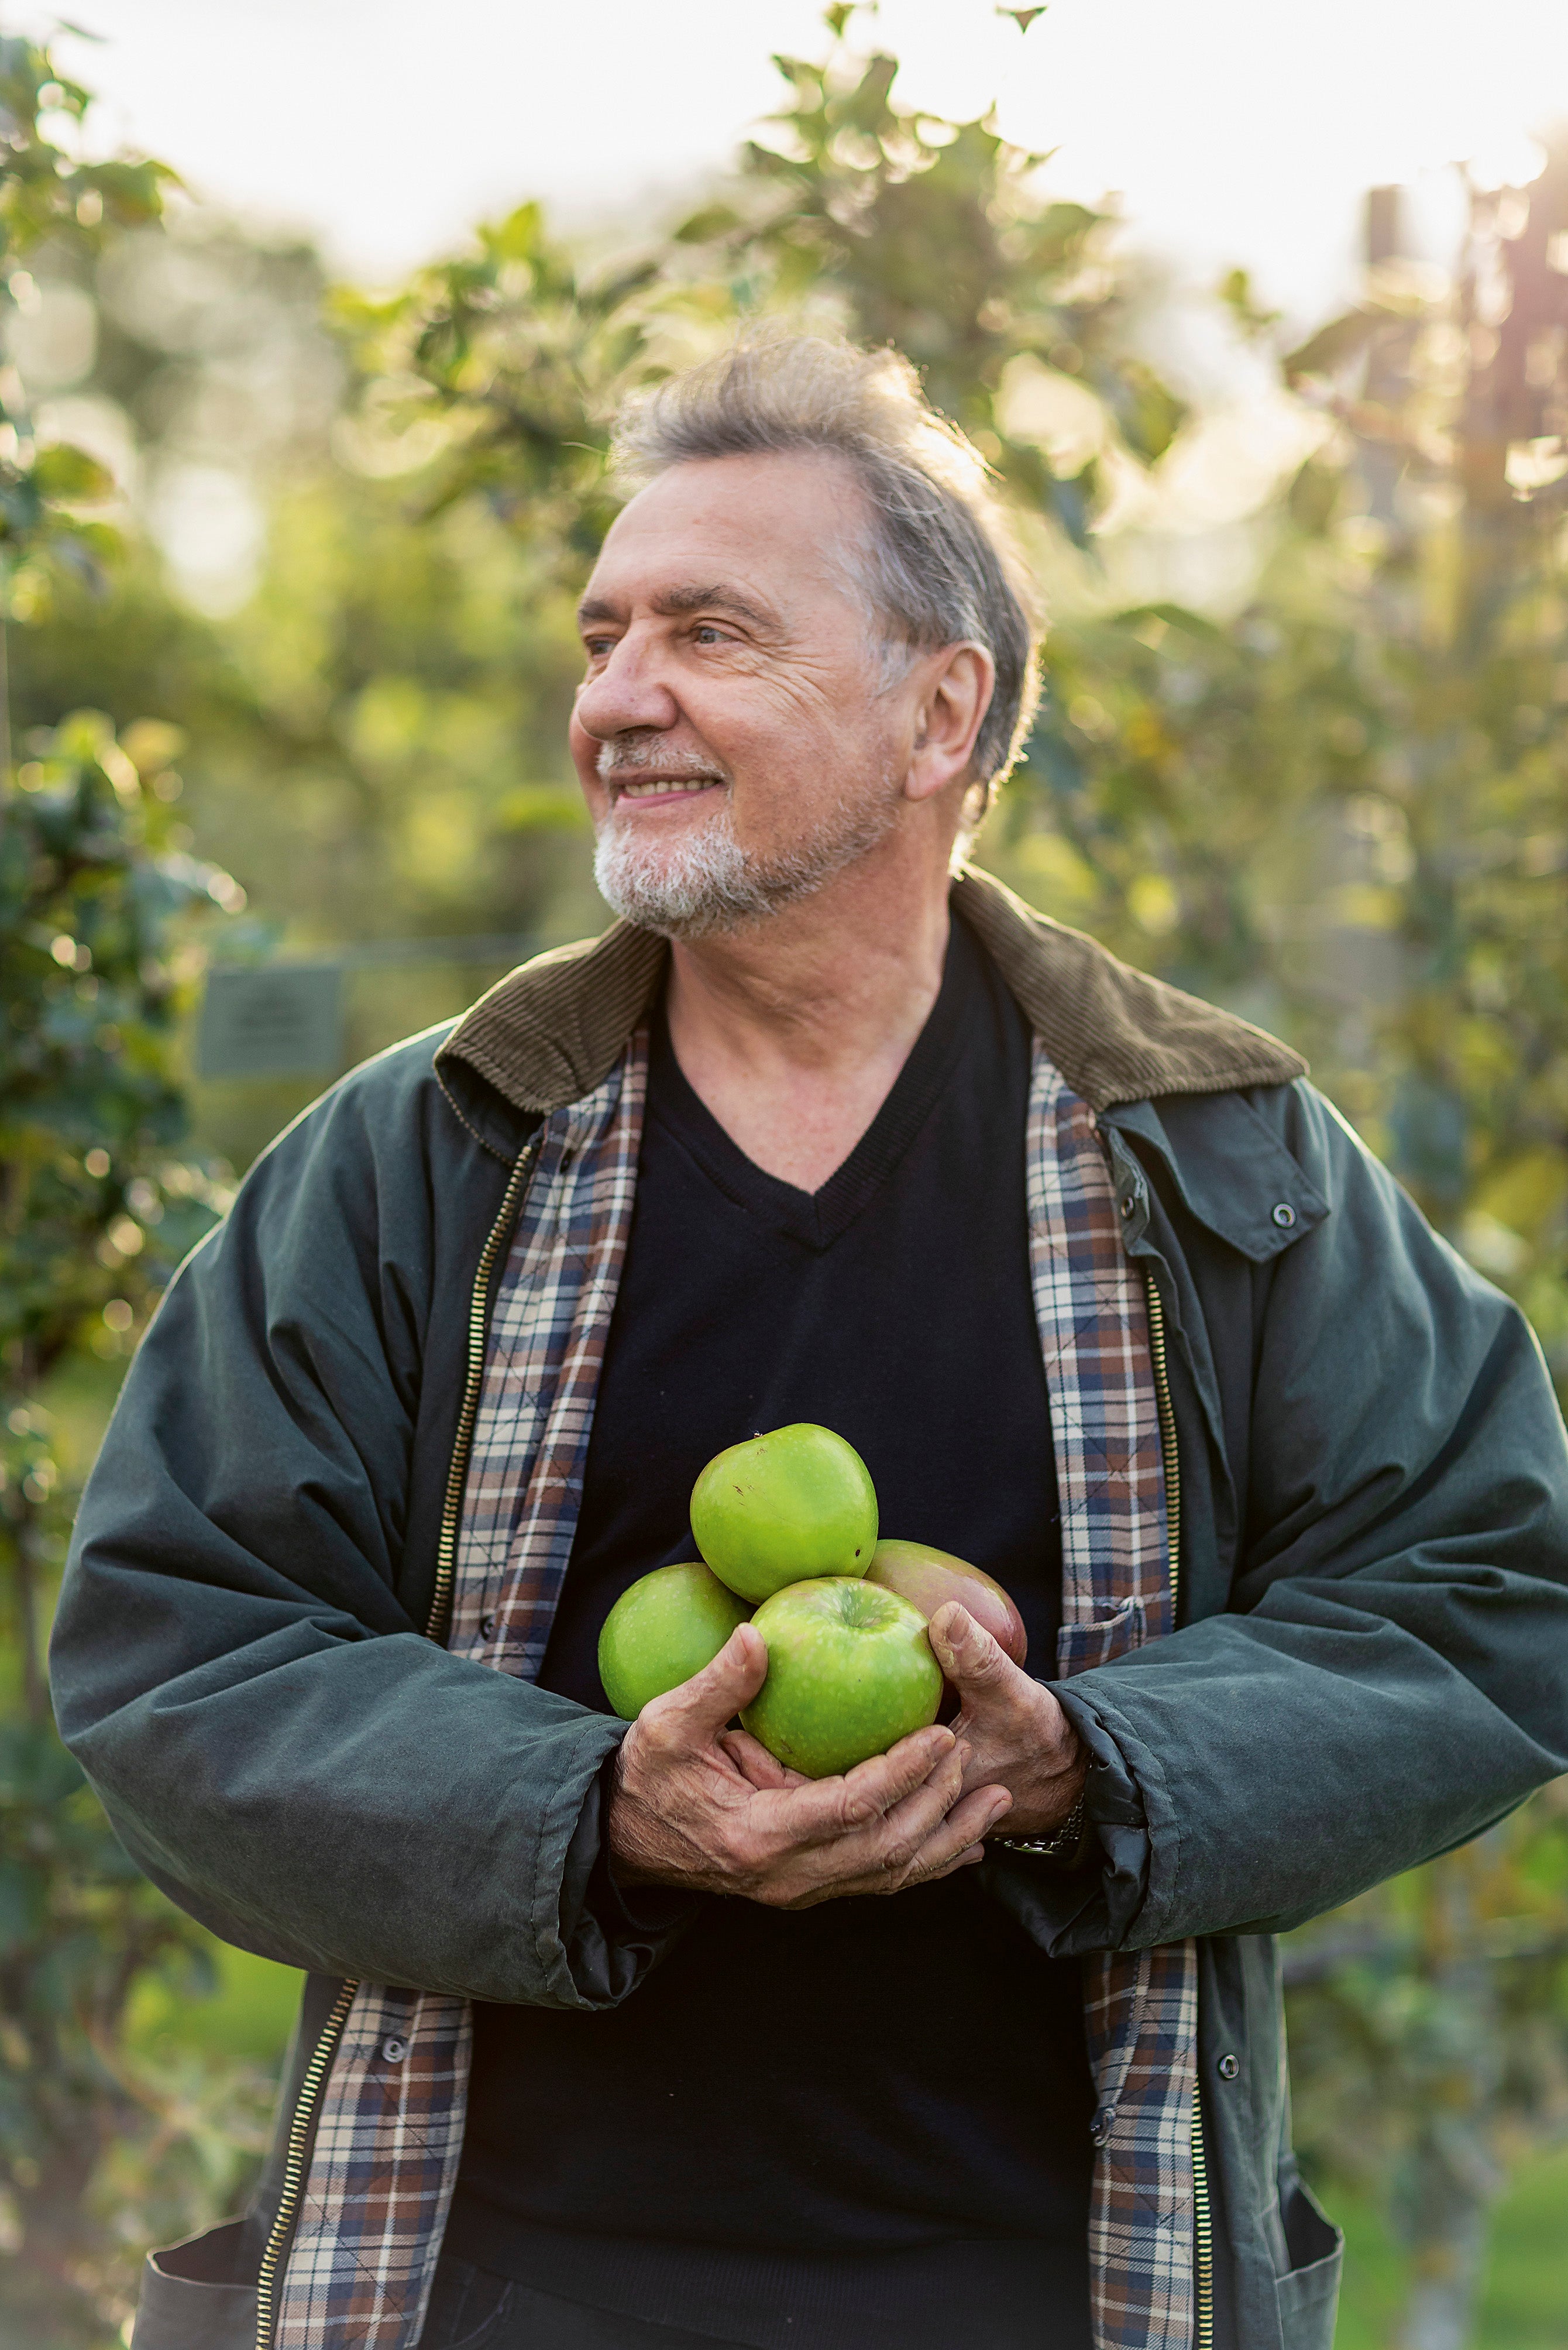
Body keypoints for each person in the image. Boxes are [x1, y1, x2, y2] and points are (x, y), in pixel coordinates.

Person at [51, 334, 1568, 2350]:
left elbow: (1485, 1585)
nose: (619, 698)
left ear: (941, 710)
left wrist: (1085, 1772)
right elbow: (182, 1641)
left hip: (1058, 2285)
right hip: (497, 2290)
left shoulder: (1216, 1156)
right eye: (603, 637)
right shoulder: (417, 1161)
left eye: (711, 632)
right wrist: (589, 1811)